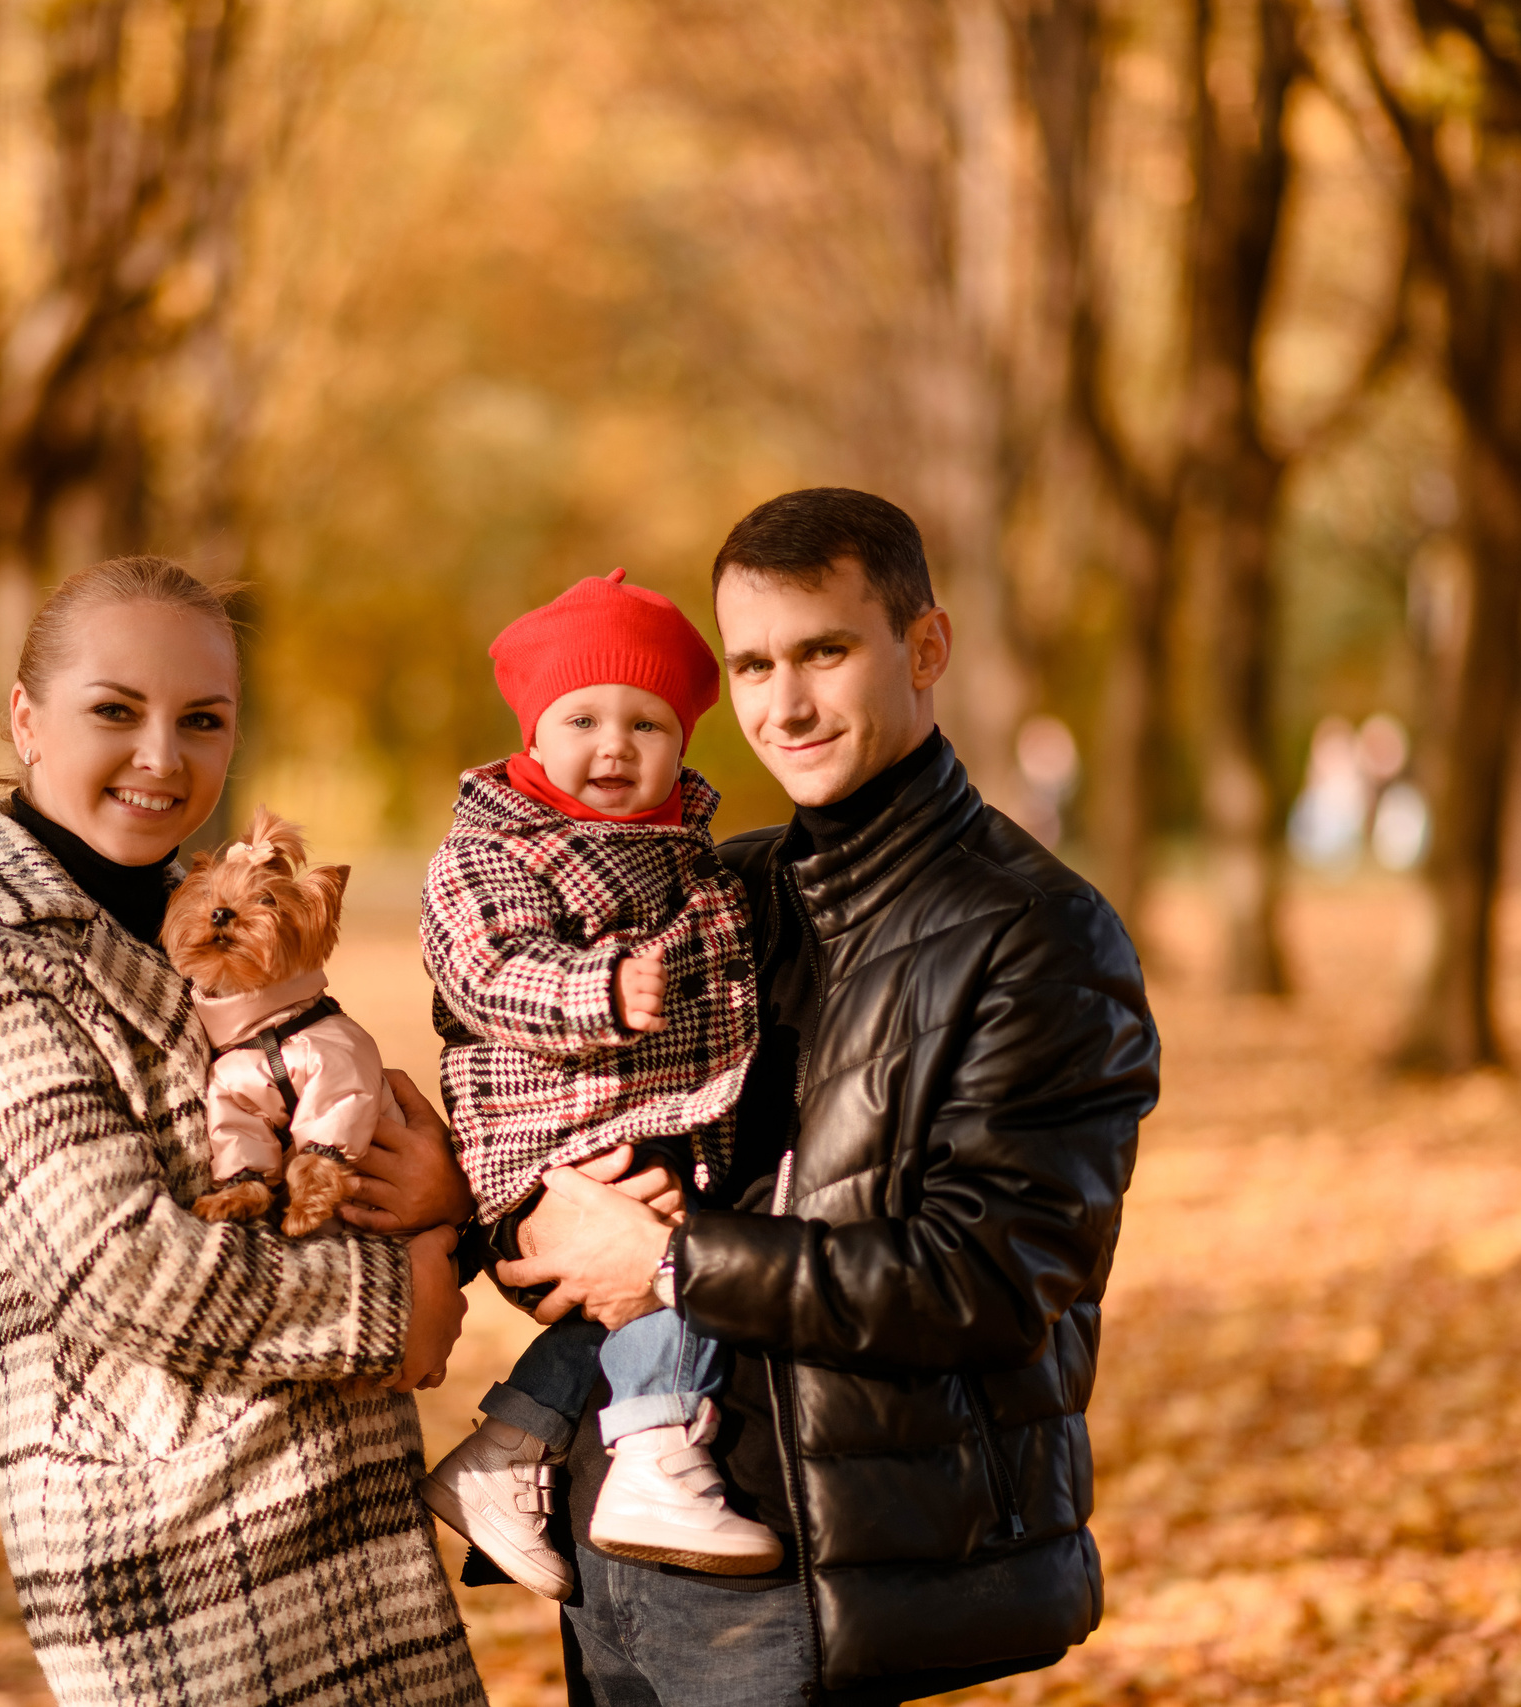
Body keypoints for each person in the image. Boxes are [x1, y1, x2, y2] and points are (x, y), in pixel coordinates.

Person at [492, 490, 1162, 1706]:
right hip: (617, 1532)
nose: (782, 705)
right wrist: (495, 1211)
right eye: (750, 663)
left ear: (924, 649)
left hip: (820, 1566)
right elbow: (567, 1152)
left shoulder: (1036, 933)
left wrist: (671, 1265)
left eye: (823, 652)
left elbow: (994, 1279)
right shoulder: (712, 897)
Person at [0, 556, 487, 1706]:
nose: (162, 756)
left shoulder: (194, 929)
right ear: (27, 719)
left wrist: (433, 1197)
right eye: (116, 711)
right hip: (187, 1592)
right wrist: (395, 1300)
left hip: (340, 1546)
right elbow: (130, 1266)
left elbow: (324, 1128)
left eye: (202, 720)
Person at [416, 569, 780, 1598]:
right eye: (583, 719)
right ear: (533, 733)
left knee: (646, 1285)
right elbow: (485, 972)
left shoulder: (687, 853)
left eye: (647, 723)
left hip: (643, 1124)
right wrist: (601, 989)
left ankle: (505, 1454)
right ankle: (658, 1454)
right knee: (674, 1270)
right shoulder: (493, 847)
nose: (614, 747)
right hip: (543, 1138)